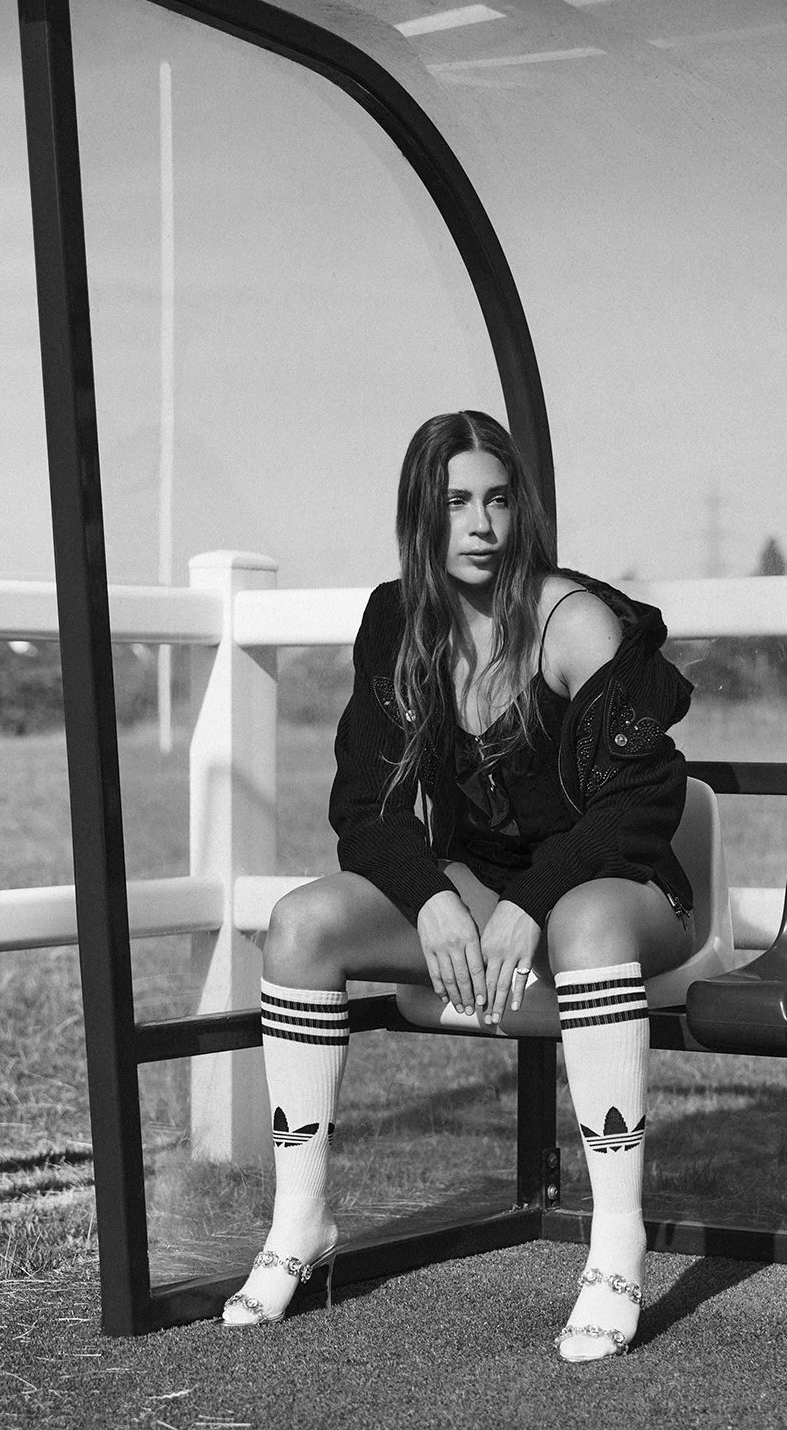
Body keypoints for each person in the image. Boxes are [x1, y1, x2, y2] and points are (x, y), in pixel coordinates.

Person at [221, 410, 695, 1361]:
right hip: (486, 892)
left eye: (498, 500)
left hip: (622, 891)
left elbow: (642, 803)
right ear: (421, 516)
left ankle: (616, 1241)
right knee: (300, 923)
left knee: (585, 921)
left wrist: (531, 902)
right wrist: (435, 898)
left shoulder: (574, 621)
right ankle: (301, 1219)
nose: (481, 525)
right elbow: (364, 807)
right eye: (456, 503)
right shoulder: (399, 621)